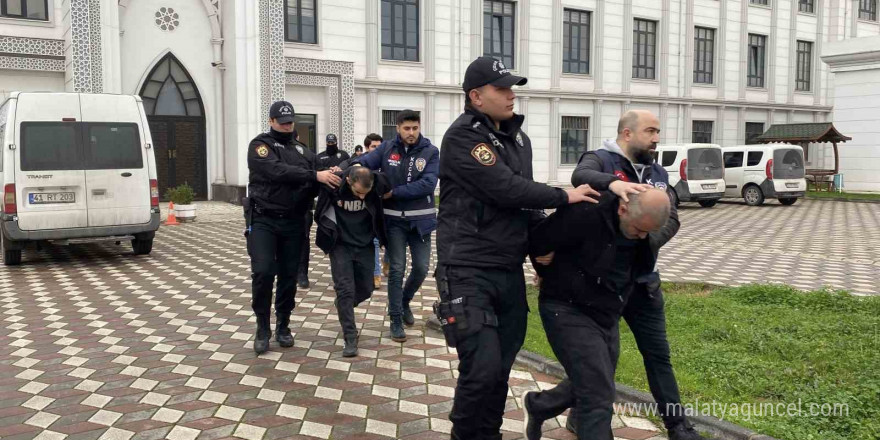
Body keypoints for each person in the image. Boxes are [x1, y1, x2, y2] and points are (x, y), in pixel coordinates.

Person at [434, 56, 600, 440]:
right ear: (476, 96)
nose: (511, 95)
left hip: (507, 273)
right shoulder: (463, 137)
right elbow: (505, 188)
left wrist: (543, 254)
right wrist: (565, 195)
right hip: (467, 269)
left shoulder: (519, 139)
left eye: (512, 88)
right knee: (482, 368)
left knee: (500, 370)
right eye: (502, 88)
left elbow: (524, 203)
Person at [562, 110, 702, 440]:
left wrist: (642, 238)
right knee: (600, 359)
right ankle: (580, 414)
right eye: (650, 131)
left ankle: (677, 426)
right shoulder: (599, 160)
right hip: (602, 286)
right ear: (627, 134)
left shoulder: (657, 172)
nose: (656, 138)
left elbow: (671, 218)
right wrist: (613, 185)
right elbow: (579, 175)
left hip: (643, 284)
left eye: (658, 132)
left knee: (658, 356)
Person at [521, 189, 671, 440]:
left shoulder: (642, 225)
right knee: (598, 394)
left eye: (647, 232)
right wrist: (544, 269)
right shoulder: (586, 212)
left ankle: (539, 405)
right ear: (623, 209)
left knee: (596, 380)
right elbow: (538, 240)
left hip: (607, 311)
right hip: (566, 307)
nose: (642, 236)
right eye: (638, 230)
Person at [245, 100, 341, 355]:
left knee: (289, 275)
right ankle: (262, 327)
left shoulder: (303, 151)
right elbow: (275, 171)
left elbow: (315, 178)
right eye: (282, 122)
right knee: (264, 272)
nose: (287, 126)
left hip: (294, 221)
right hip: (264, 219)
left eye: (290, 122)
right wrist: (314, 175)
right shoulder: (260, 145)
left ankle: (283, 325)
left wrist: (330, 173)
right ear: (271, 121)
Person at [345, 112, 439, 342]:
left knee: (421, 268)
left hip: (421, 222)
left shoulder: (430, 151)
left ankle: (405, 300)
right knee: (396, 269)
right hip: (394, 220)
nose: (411, 132)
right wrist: (347, 168)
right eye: (406, 128)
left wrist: (393, 193)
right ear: (398, 128)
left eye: (415, 128)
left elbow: (428, 184)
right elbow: (364, 162)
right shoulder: (387, 148)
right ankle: (395, 318)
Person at [315, 166, 390, 357]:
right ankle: (350, 336)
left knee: (366, 288)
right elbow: (318, 207)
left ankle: (344, 305)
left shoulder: (376, 184)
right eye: (358, 193)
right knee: (345, 289)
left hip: (365, 244)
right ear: (348, 181)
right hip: (340, 245)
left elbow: (388, 181)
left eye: (366, 194)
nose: (362, 198)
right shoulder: (335, 185)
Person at [363, 133, 385, 288]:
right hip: (370, 211)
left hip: (389, 207)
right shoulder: (362, 164)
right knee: (375, 242)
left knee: (391, 241)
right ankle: (375, 274)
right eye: (373, 147)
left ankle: (387, 264)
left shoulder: (387, 163)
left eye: (379, 147)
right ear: (367, 148)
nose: (377, 150)